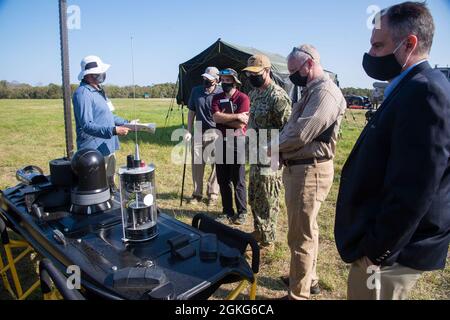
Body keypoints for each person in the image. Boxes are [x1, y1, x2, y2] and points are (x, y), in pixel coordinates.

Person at [335, 1, 450, 300]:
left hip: (389, 255)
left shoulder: (425, 92)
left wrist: (377, 251)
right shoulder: (409, 86)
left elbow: (414, 189)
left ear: (409, 44)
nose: (370, 55)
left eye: (377, 46)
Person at [272, 45, 346, 300]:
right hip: (300, 168)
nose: (292, 76)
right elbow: (291, 128)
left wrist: (270, 149)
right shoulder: (310, 91)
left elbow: (300, 133)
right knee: (306, 230)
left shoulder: (325, 93)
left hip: (309, 171)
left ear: (310, 63)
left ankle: (298, 294)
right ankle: (305, 278)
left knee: (300, 236)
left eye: (294, 71)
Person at [243, 54, 291, 249]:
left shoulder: (277, 96)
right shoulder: (254, 94)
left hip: (271, 156)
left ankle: (268, 239)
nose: (252, 77)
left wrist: (277, 154)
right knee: (255, 196)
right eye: (249, 74)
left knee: (268, 197)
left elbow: (288, 129)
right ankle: (259, 230)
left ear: (267, 71)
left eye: (256, 73)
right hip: (256, 154)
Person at [73, 55, 132, 190]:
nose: (102, 75)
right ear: (89, 75)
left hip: (107, 146)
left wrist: (127, 123)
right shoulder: (82, 94)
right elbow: (86, 125)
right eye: (98, 73)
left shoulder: (99, 91)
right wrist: (113, 131)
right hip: (93, 150)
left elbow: (109, 115)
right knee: (97, 186)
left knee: (110, 181)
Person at [211, 68, 250, 225]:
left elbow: (242, 123)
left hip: (237, 142)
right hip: (221, 141)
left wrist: (224, 119)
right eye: (223, 79)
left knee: (238, 179)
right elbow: (215, 117)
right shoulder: (217, 97)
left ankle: (242, 212)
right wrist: (234, 116)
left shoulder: (243, 98)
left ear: (234, 81)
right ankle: (227, 211)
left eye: (228, 80)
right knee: (222, 179)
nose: (225, 82)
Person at [184, 67, 222, 206]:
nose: (206, 80)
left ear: (216, 80)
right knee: (197, 164)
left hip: (216, 132)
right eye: (204, 78)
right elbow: (191, 112)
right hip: (199, 130)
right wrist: (189, 130)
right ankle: (197, 193)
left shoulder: (222, 93)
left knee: (216, 165)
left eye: (209, 79)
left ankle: (213, 194)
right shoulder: (196, 91)